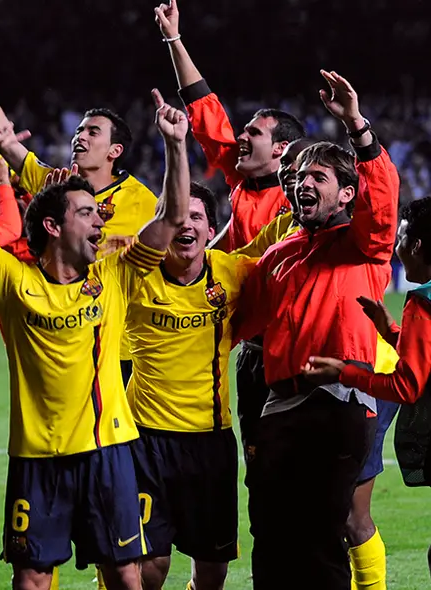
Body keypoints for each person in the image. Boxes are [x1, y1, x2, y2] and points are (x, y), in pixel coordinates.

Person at [0, 89, 190, 590]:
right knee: (31, 580)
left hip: (107, 449)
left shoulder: (115, 274)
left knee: (123, 576)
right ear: (52, 225)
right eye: (87, 214)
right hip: (36, 457)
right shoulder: (11, 281)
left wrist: (175, 144)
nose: (101, 220)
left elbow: (173, 217)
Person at [232, 70, 400, 590]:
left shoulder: (362, 244)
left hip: (338, 403)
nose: (303, 181)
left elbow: (385, 199)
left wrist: (354, 123)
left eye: (319, 176)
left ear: (349, 194)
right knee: (271, 532)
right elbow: (235, 323)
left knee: (321, 538)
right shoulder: (278, 254)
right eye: (299, 174)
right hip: (277, 406)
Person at [0, 27, 158, 386]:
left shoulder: (142, 200)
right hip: (60, 332)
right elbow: (2, 135)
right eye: (79, 130)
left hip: (117, 346)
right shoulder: (54, 184)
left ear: (115, 151)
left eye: (93, 132)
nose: (80, 136)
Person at [124, 181, 258, 590]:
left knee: (213, 568)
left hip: (210, 441)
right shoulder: (132, 275)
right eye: (176, 216)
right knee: (150, 566)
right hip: (146, 439)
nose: (185, 224)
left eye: (195, 216)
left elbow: (284, 259)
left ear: (210, 229)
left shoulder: (232, 273)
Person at [305, 195, 431, 583]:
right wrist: (389, 329)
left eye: (401, 238)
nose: (396, 247)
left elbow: (408, 385)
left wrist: (346, 372)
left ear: (418, 246)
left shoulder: (422, 302)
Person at [155, 0, 306, 250]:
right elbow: (204, 107)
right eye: (245, 130)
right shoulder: (242, 176)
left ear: (281, 148)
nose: (242, 137)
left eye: (254, 133)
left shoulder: (303, 196)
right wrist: (174, 39)